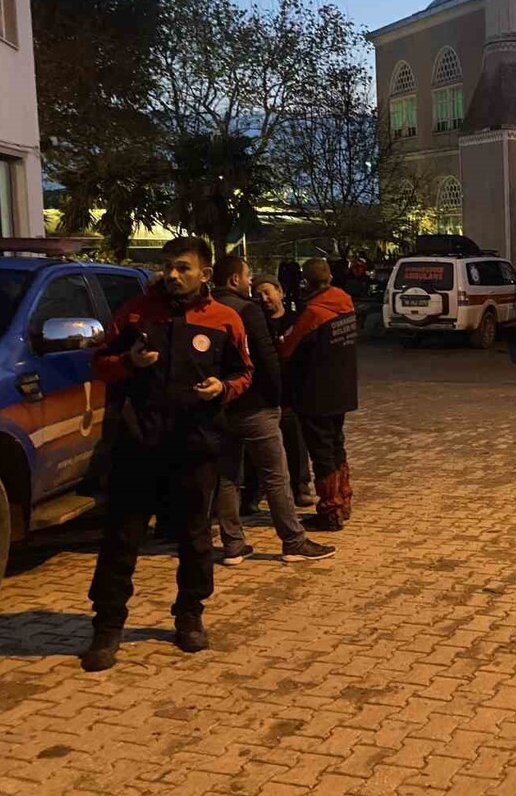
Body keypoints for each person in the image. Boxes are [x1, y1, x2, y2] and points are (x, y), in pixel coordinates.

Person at [81, 237, 253, 672]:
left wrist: (223, 388)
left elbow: (244, 373)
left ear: (205, 274)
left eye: (183, 268)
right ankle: (107, 626)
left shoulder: (225, 319)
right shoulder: (136, 313)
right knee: (121, 539)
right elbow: (99, 364)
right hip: (138, 445)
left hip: (195, 446)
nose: (172, 275)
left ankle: (189, 615)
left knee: (194, 538)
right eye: (168, 266)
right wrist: (130, 363)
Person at [210, 258, 336, 566]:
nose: (250, 282)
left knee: (227, 476)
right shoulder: (248, 310)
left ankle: (233, 544)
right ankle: (293, 541)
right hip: (255, 403)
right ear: (233, 280)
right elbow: (266, 357)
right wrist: (278, 397)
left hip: (218, 403)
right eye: (247, 276)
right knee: (276, 475)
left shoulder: (206, 309)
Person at [280, 259, 360, 531]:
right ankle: (343, 501)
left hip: (316, 394)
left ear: (306, 281)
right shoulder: (345, 303)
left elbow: (288, 348)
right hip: (342, 390)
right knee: (337, 446)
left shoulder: (314, 313)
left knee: (322, 452)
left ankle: (330, 511)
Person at [255, 276, 314, 506]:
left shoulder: (295, 320)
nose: (264, 298)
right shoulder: (256, 322)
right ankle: (257, 491)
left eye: (267, 292)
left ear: (279, 292)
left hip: (291, 392)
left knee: (295, 440)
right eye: (258, 294)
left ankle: (300, 486)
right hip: (264, 393)